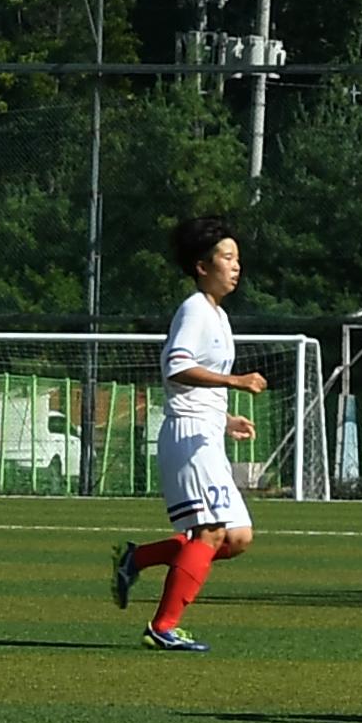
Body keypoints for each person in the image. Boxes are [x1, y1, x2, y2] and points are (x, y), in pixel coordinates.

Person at [111, 217, 265, 651]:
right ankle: (162, 627)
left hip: (206, 433)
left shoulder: (217, 314)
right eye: (227, 258)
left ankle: (137, 558)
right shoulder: (195, 309)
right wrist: (234, 382)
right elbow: (175, 367)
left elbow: (198, 379)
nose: (236, 266)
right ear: (202, 265)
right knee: (211, 531)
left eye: (237, 258)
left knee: (236, 538)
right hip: (188, 436)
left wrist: (225, 418)